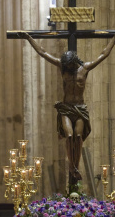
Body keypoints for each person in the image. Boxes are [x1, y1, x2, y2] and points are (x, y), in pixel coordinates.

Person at [20, 32, 115, 181]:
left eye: (70, 66)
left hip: (80, 108)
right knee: (69, 136)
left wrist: (114, 39)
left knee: (78, 137)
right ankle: (72, 167)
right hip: (66, 108)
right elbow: (43, 52)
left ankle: (75, 167)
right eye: (66, 66)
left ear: (75, 61)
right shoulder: (63, 66)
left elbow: (104, 54)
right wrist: (28, 38)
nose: (68, 68)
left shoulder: (85, 68)